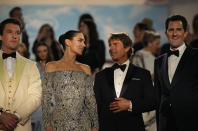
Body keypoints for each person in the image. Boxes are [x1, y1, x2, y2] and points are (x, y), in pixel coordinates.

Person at [94, 32, 156, 131]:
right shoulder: (101, 76)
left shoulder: (143, 74)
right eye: (110, 45)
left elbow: (152, 102)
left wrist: (130, 105)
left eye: (115, 44)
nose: (111, 48)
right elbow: (95, 106)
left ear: (127, 48)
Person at [42, 30, 99, 131]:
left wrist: (95, 126)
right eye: (80, 41)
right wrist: (47, 124)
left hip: (83, 125)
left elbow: (90, 100)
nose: (84, 45)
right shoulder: (51, 66)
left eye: (84, 42)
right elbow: (46, 98)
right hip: (58, 124)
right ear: (68, 42)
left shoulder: (85, 68)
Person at [154, 15, 198, 131]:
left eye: (178, 29)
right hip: (165, 123)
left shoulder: (196, 56)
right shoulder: (158, 62)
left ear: (186, 33)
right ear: (166, 33)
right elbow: (158, 97)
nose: (174, 34)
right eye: (171, 30)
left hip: (191, 122)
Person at [0, 18, 42, 131]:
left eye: (17, 33)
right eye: (9, 32)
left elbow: (36, 96)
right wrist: (1, 115)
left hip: (20, 127)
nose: (15, 36)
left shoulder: (31, 65)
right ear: (0, 36)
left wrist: (16, 117)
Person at [31, 43, 52, 131]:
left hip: (53, 103)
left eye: (44, 51)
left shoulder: (56, 66)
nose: (42, 54)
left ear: (48, 52)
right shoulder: (33, 66)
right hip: (37, 105)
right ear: (36, 53)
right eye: (39, 52)